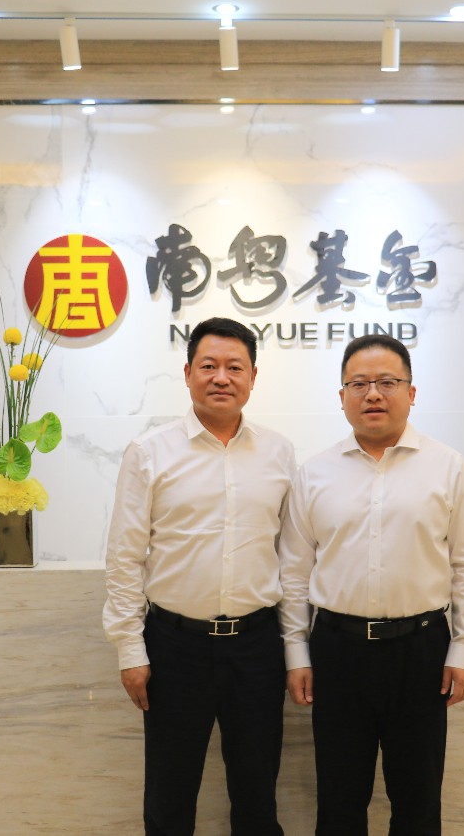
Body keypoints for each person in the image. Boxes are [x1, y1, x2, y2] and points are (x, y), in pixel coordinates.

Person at [278, 333, 464, 836]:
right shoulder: (314, 474)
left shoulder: (447, 466)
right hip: (338, 652)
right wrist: (297, 654)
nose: (373, 394)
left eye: (387, 382)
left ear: (411, 393)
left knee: (418, 802)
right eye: (359, 384)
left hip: (421, 651)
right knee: (339, 802)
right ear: (342, 396)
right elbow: (293, 574)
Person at [103, 317, 294, 836]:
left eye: (235, 367)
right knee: (170, 795)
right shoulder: (149, 452)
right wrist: (130, 649)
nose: (221, 378)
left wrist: (294, 647)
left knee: (257, 794)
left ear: (253, 376)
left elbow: (291, 556)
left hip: (257, 645)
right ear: (188, 373)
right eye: (208, 366)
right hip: (174, 646)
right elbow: (124, 556)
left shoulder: (279, 452)